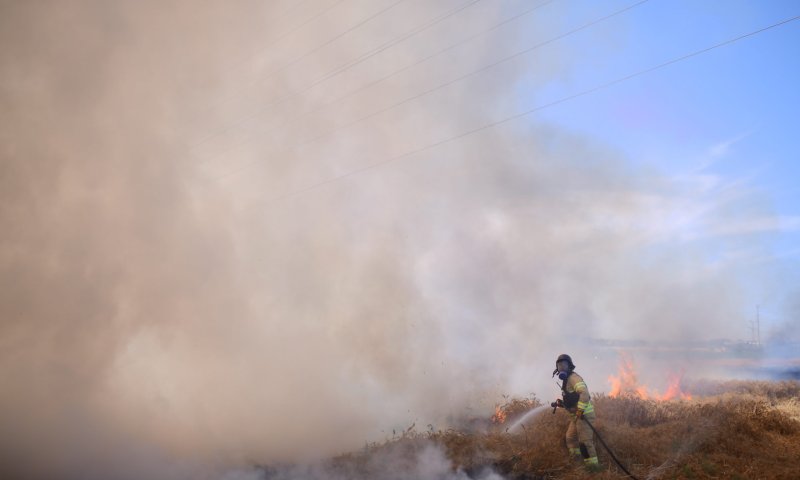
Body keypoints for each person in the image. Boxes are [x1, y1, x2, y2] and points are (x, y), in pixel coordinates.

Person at [552, 353, 600, 471]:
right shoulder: (566, 380)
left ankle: (593, 469)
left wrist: (580, 410)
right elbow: (572, 399)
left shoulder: (574, 378)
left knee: (585, 443)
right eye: (559, 365)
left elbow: (584, 394)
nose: (562, 367)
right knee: (570, 438)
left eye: (564, 364)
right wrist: (561, 404)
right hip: (576, 417)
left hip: (584, 416)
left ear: (569, 366)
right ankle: (577, 462)